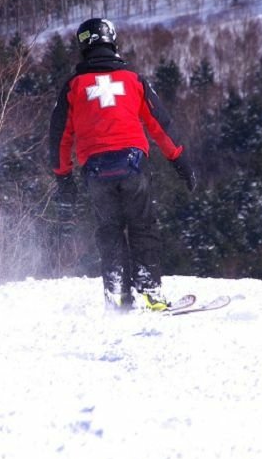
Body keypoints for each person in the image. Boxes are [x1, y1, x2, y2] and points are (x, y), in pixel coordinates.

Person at [49, 18, 197, 312]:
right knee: (142, 226)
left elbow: (59, 137)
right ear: (112, 40)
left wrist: (63, 178)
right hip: (132, 166)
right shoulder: (133, 80)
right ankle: (151, 294)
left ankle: (116, 296)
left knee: (110, 229)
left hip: (95, 170)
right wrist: (180, 162)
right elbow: (160, 125)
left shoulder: (73, 86)